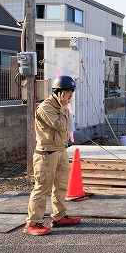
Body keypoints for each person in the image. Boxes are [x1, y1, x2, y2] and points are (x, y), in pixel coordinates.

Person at [24, 75, 82, 236]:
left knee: (61, 186)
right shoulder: (46, 107)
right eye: (69, 92)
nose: (71, 95)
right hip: (46, 154)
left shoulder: (61, 106)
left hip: (60, 151)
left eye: (71, 92)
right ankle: (33, 222)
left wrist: (64, 107)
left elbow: (66, 127)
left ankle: (59, 216)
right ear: (59, 92)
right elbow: (59, 125)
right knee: (42, 188)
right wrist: (64, 107)